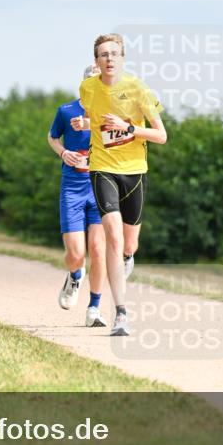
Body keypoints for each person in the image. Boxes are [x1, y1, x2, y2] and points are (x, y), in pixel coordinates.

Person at [76, 33, 168, 336]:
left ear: (123, 58)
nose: (109, 59)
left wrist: (128, 128)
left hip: (134, 172)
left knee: (128, 244)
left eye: (114, 54)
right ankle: (121, 313)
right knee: (113, 238)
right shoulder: (88, 88)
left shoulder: (138, 88)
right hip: (102, 169)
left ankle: (128, 258)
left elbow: (161, 136)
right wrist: (85, 125)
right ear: (96, 60)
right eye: (103, 54)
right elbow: (92, 120)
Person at [48, 65, 107, 327]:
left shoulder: (111, 113)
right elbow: (52, 137)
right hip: (73, 187)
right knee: (76, 253)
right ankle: (74, 275)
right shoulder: (66, 111)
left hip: (101, 186)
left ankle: (94, 308)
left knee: (98, 249)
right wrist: (63, 152)